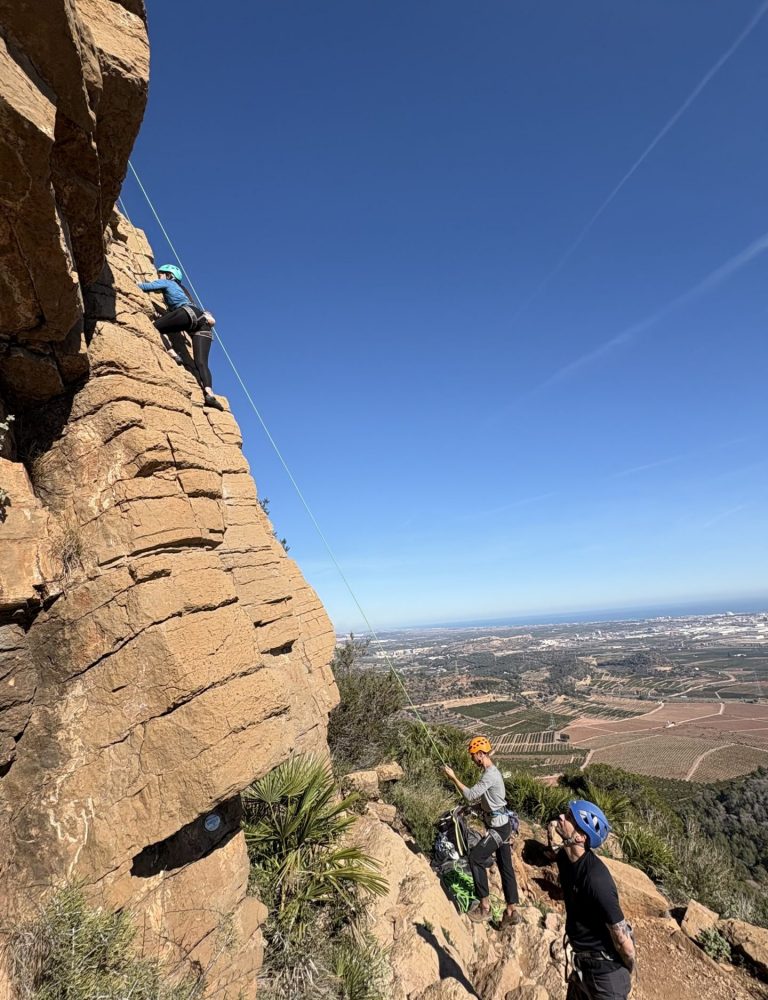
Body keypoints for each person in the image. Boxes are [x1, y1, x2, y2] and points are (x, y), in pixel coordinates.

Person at [546, 800, 635, 1000]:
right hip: (582, 965)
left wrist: (628, 966)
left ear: (580, 836)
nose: (561, 816)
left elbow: (623, 941)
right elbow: (552, 846)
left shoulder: (596, 879)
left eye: (569, 817)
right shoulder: (565, 859)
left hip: (606, 975)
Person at [443, 736, 520, 925]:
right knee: (505, 867)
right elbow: (492, 802)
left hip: (499, 828)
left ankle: (484, 907)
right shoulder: (491, 773)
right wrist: (473, 809)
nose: (472, 759)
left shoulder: (490, 775)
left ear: (480, 754)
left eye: (473, 756)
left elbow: (470, 794)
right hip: (502, 824)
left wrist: (453, 777)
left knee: (475, 858)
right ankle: (511, 912)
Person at [138, 264, 223, 410]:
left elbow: (144, 287)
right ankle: (209, 394)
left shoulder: (167, 282)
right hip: (202, 323)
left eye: (161, 274)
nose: (159, 276)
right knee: (201, 362)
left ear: (169, 275)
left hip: (186, 314)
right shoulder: (185, 292)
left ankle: (171, 351)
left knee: (154, 327)